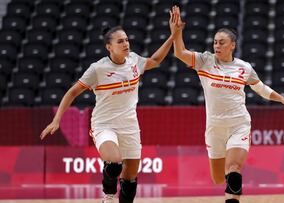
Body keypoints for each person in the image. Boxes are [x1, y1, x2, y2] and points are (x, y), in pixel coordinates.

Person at [40, 7, 180, 203]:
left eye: (127, 40)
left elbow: (155, 60)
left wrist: (173, 36)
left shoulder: (134, 60)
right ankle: (108, 195)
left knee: (130, 180)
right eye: (120, 41)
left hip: (130, 126)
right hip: (104, 124)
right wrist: (57, 120)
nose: (126, 44)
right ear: (109, 47)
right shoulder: (97, 69)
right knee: (114, 164)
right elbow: (72, 92)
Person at [170, 6, 284, 203]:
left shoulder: (244, 68)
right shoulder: (205, 61)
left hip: (239, 124)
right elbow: (180, 52)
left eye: (221, 43)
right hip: (214, 128)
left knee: (234, 169)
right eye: (215, 42)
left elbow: (260, 88)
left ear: (232, 45)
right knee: (219, 178)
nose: (217, 46)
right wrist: (176, 32)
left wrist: (280, 98)